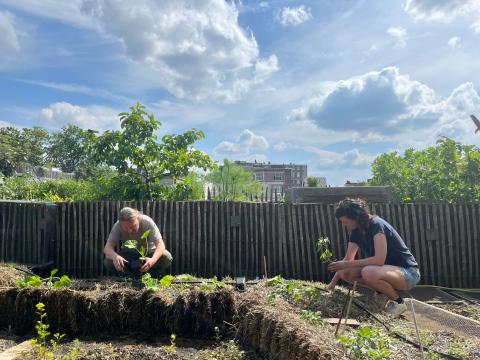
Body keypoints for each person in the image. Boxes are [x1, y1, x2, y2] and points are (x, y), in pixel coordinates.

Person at [326, 198, 420, 317]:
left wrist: (346, 264)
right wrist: (332, 284)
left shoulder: (377, 225)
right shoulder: (356, 232)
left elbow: (379, 259)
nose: (344, 225)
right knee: (345, 272)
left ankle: (399, 303)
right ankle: (382, 292)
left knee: (368, 271)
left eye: (345, 221)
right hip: (385, 271)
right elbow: (348, 259)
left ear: (355, 217)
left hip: (408, 273)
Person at [103, 207, 173, 279]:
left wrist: (153, 260)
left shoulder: (147, 222)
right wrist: (115, 257)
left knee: (166, 257)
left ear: (138, 218)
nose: (130, 231)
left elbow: (160, 245)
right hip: (129, 257)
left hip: (148, 254)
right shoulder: (117, 225)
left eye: (133, 226)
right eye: (126, 228)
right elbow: (107, 248)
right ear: (120, 223)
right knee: (108, 261)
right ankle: (129, 279)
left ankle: (150, 278)